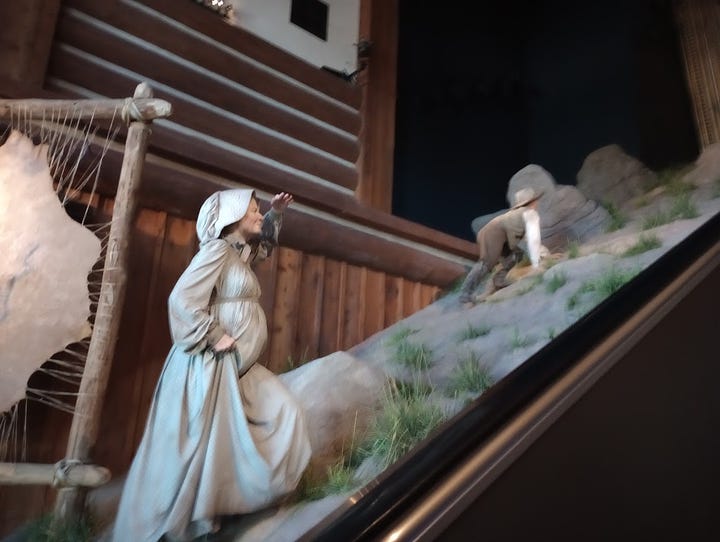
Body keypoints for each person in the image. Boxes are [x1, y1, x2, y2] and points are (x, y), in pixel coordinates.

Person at [112, 189, 311, 542]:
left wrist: (275, 216)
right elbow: (182, 298)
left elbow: (263, 248)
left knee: (285, 412)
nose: (257, 214)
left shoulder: (239, 255)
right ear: (231, 218)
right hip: (211, 363)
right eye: (253, 210)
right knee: (201, 444)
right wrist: (214, 333)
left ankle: (238, 505)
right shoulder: (218, 250)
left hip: (237, 366)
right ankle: (195, 521)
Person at [459, 187, 546, 306]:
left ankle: (499, 280)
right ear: (531, 202)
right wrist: (538, 264)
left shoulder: (520, 214)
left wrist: (542, 254)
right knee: (487, 263)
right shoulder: (530, 214)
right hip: (494, 232)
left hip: (500, 234)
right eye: (535, 200)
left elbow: (526, 238)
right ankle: (466, 293)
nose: (537, 203)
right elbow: (533, 240)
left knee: (517, 254)